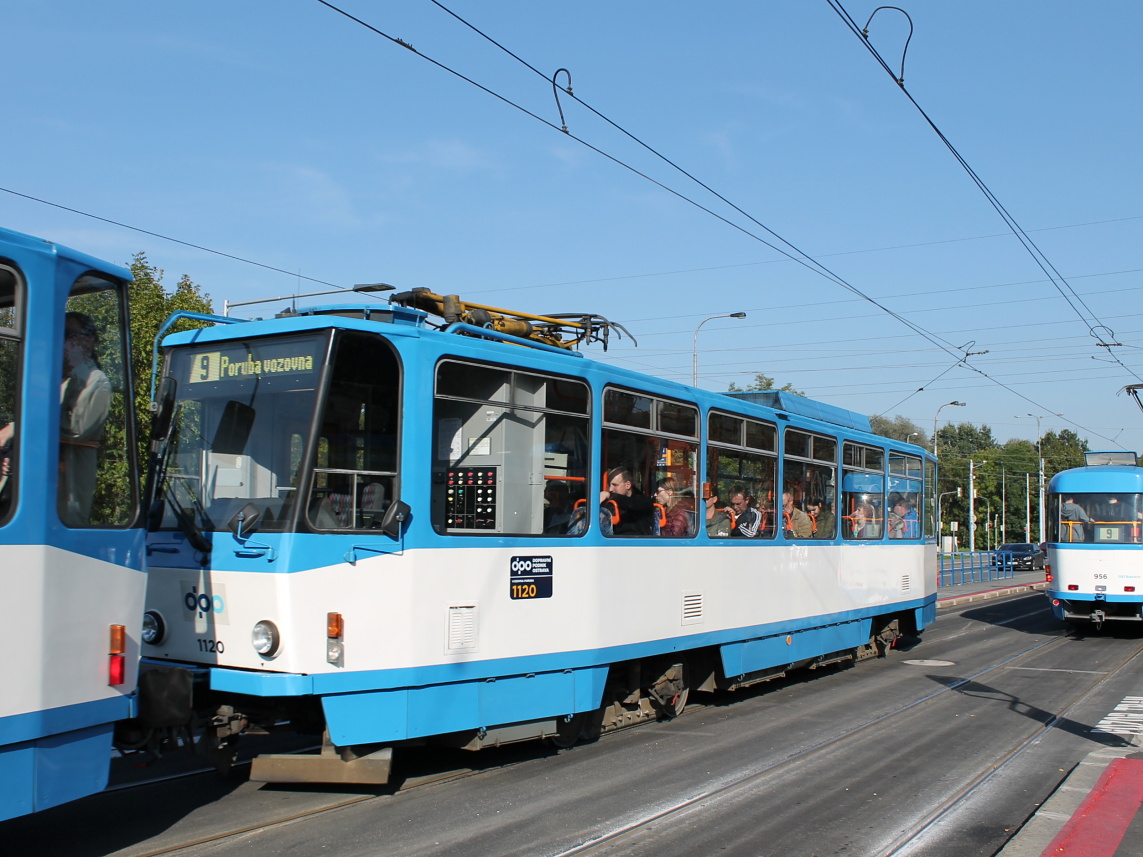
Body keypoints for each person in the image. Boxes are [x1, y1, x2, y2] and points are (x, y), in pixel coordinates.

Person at [58, 311, 111, 526]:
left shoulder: (96, 382)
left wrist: (17, 429)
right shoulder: (62, 379)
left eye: (69, 334)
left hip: (67, 495)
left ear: (88, 340)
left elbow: (75, 429)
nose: (63, 341)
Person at [600, 466, 655, 535]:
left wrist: (609, 495)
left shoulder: (644, 502)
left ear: (628, 485)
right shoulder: (610, 503)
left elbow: (630, 503)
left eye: (615, 485)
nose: (611, 489)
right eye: (609, 485)